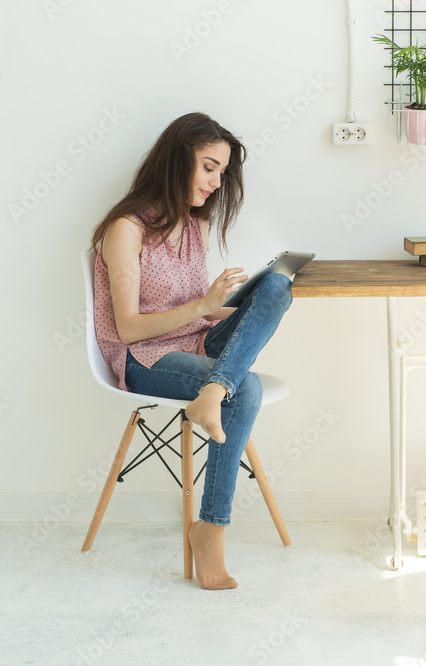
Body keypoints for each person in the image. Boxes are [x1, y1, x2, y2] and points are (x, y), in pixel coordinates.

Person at [89, 112, 292, 590]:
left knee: (277, 286)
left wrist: (233, 309)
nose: (216, 182)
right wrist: (203, 305)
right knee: (248, 387)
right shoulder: (126, 229)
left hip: (196, 343)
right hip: (145, 357)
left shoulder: (193, 227)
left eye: (221, 172)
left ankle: (213, 390)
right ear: (176, 159)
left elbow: (199, 315)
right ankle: (211, 531)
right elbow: (128, 327)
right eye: (208, 167)